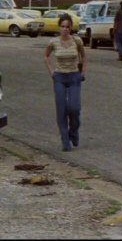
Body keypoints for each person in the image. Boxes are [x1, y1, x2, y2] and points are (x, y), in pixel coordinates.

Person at [44, 13, 87, 152]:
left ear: (71, 28)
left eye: (68, 27)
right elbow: (46, 56)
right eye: (62, 26)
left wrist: (83, 73)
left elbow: (84, 56)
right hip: (60, 78)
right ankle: (65, 140)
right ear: (59, 28)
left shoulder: (77, 41)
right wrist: (52, 72)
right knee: (61, 109)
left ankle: (73, 131)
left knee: (74, 108)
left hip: (74, 76)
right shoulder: (53, 42)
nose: (65, 29)